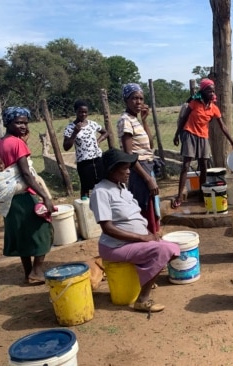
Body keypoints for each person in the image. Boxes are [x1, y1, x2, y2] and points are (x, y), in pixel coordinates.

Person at [89, 148, 180, 313]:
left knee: (173, 247)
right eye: (124, 168)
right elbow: (107, 228)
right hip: (115, 246)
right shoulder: (101, 192)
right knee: (163, 250)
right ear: (112, 170)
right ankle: (142, 300)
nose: (129, 172)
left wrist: (147, 236)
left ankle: (145, 278)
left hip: (130, 242)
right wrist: (142, 238)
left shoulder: (120, 187)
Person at [0, 107, 54, 284]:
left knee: (23, 235)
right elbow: (27, 174)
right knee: (43, 230)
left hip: (11, 199)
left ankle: (28, 272)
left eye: (25, 123)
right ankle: (36, 272)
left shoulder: (2, 142)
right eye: (18, 122)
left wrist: (23, 140)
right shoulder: (17, 143)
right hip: (23, 196)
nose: (23, 126)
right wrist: (45, 196)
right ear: (7, 122)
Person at [172, 78, 233, 209]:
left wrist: (232, 141)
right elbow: (184, 118)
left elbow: (222, 126)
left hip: (203, 136)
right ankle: (179, 196)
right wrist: (177, 134)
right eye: (209, 91)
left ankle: (202, 193)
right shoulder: (194, 103)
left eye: (213, 91)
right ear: (202, 91)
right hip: (190, 133)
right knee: (186, 164)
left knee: (203, 166)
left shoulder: (214, 108)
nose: (212, 93)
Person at [117, 83, 161, 234]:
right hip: (139, 169)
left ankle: (152, 241)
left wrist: (145, 120)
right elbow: (129, 155)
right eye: (134, 98)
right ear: (126, 100)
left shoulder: (135, 120)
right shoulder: (125, 120)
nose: (139, 102)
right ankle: (147, 243)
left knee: (152, 208)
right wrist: (147, 179)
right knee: (144, 209)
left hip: (146, 166)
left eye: (141, 98)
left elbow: (150, 143)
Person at [0, 152, 52, 221]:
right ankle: (46, 196)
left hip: (20, 197)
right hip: (11, 198)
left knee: (37, 179)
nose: (1, 166)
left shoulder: (8, 170)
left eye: (1, 163)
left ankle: (47, 196)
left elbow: (12, 170)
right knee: (33, 179)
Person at [63, 100, 108, 198]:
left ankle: (102, 204)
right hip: (84, 162)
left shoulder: (92, 124)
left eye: (85, 112)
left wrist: (98, 141)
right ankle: (85, 208)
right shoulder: (70, 128)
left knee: (102, 184)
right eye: (80, 112)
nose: (83, 114)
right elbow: (66, 147)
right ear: (75, 111)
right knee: (85, 187)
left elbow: (106, 132)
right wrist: (75, 132)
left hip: (97, 159)